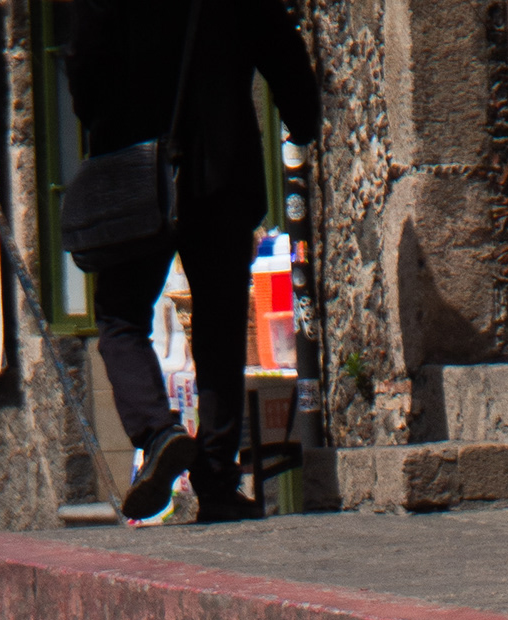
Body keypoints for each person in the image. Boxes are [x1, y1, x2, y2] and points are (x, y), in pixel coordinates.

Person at [67, 0, 319, 523]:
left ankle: (157, 432)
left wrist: (106, 126)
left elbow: (85, 61)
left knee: (119, 318)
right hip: (221, 175)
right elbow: (280, 44)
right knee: (220, 328)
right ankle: (218, 480)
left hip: (136, 174)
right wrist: (302, 118)